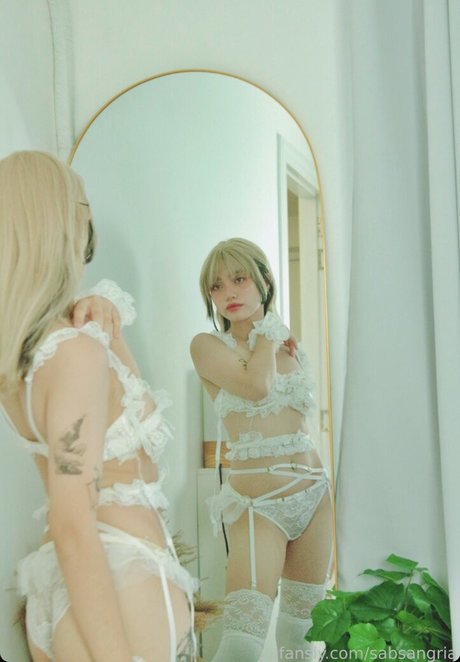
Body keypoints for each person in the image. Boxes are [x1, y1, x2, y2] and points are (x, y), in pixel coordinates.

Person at [0, 151, 197, 662]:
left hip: (68, 585)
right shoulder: (73, 354)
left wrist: (106, 328)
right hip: (119, 583)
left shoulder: (29, 355)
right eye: (82, 206)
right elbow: (73, 521)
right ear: (62, 223)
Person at [189, 238, 333, 661]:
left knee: (301, 635)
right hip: (258, 507)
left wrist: (275, 336)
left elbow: (300, 423)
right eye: (217, 286)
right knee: (242, 643)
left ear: (264, 280)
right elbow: (257, 387)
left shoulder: (289, 347)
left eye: (240, 279)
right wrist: (269, 331)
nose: (229, 293)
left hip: (315, 496)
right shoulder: (208, 346)